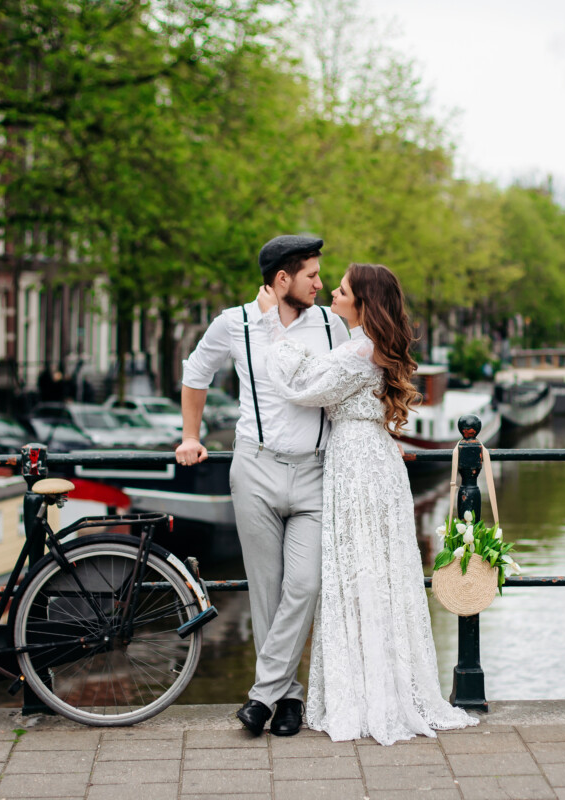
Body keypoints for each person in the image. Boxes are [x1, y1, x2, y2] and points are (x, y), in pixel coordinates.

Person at [255, 263, 478, 745]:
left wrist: (274, 323)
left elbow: (302, 387)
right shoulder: (366, 345)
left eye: (342, 290)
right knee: (378, 574)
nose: (332, 293)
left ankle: (368, 695)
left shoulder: (358, 350)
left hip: (357, 466)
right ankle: (381, 685)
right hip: (374, 460)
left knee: (361, 574)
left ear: (361, 304)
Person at [177, 234, 345, 737]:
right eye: (312, 275)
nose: (321, 283)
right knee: (266, 594)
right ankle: (287, 700)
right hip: (254, 469)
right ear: (281, 279)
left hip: (315, 471)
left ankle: (261, 695)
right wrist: (190, 436)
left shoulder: (332, 326)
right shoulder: (234, 323)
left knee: (305, 585)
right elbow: (195, 372)